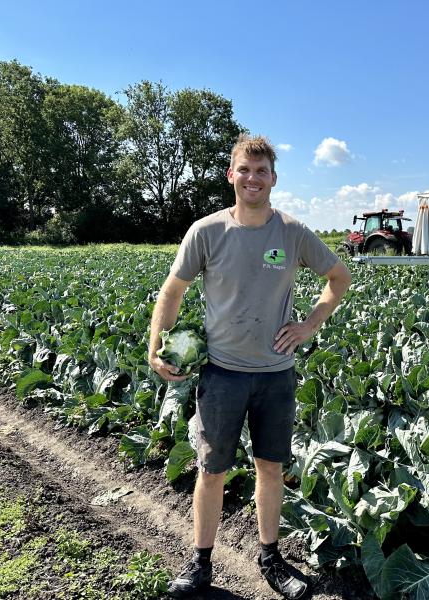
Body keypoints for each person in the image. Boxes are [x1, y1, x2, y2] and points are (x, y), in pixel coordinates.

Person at [149, 134, 352, 599]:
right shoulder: (207, 231)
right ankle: (200, 564)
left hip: (275, 375)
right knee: (211, 469)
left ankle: (270, 558)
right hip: (221, 373)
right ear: (231, 175)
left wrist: (309, 325)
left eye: (261, 171)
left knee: (270, 468)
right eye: (245, 169)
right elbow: (172, 291)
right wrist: (155, 346)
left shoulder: (293, 232)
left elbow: (338, 278)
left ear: (273, 179)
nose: (253, 178)